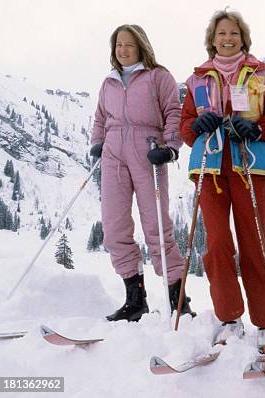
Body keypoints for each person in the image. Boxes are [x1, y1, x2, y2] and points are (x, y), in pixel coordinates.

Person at [179, 10, 265, 348]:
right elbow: (185, 126)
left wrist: (256, 127)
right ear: (212, 39)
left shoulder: (264, 75)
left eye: (234, 33)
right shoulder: (196, 79)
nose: (227, 38)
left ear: (244, 39)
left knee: (254, 244)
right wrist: (195, 128)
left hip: (250, 168)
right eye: (221, 33)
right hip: (210, 170)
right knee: (216, 246)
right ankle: (229, 318)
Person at [90, 24, 194, 322]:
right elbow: (100, 117)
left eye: (129, 45)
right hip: (113, 156)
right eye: (118, 45)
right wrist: (98, 142)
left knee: (157, 226)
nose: (122, 50)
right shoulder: (108, 82)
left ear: (141, 47)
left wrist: (170, 146)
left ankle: (178, 300)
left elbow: (174, 112)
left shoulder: (158, 76)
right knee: (114, 227)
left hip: (148, 152)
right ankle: (135, 300)